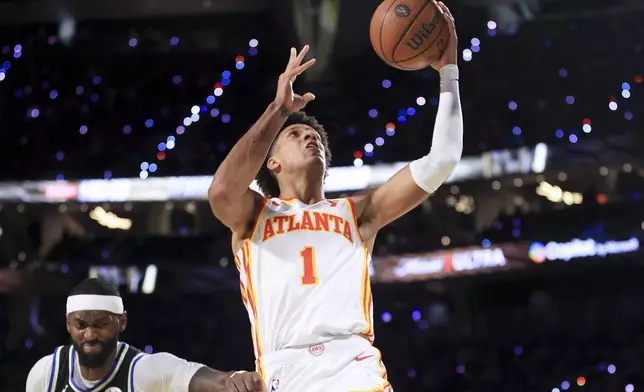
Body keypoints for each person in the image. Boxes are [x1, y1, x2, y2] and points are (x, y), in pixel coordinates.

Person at [208, 2, 461, 390]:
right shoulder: (253, 216)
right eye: (295, 135)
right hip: (285, 370)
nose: (309, 135)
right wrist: (278, 111)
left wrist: (448, 72)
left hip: (354, 366)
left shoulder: (357, 212)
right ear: (271, 164)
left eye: (315, 137)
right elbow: (222, 190)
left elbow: (442, 159)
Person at [25, 277, 266, 392]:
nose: (90, 334)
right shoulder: (46, 374)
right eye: (81, 325)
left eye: (100, 324)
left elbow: (204, 379)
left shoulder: (145, 371)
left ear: (122, 322)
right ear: (68, 325)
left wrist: (236, 378)